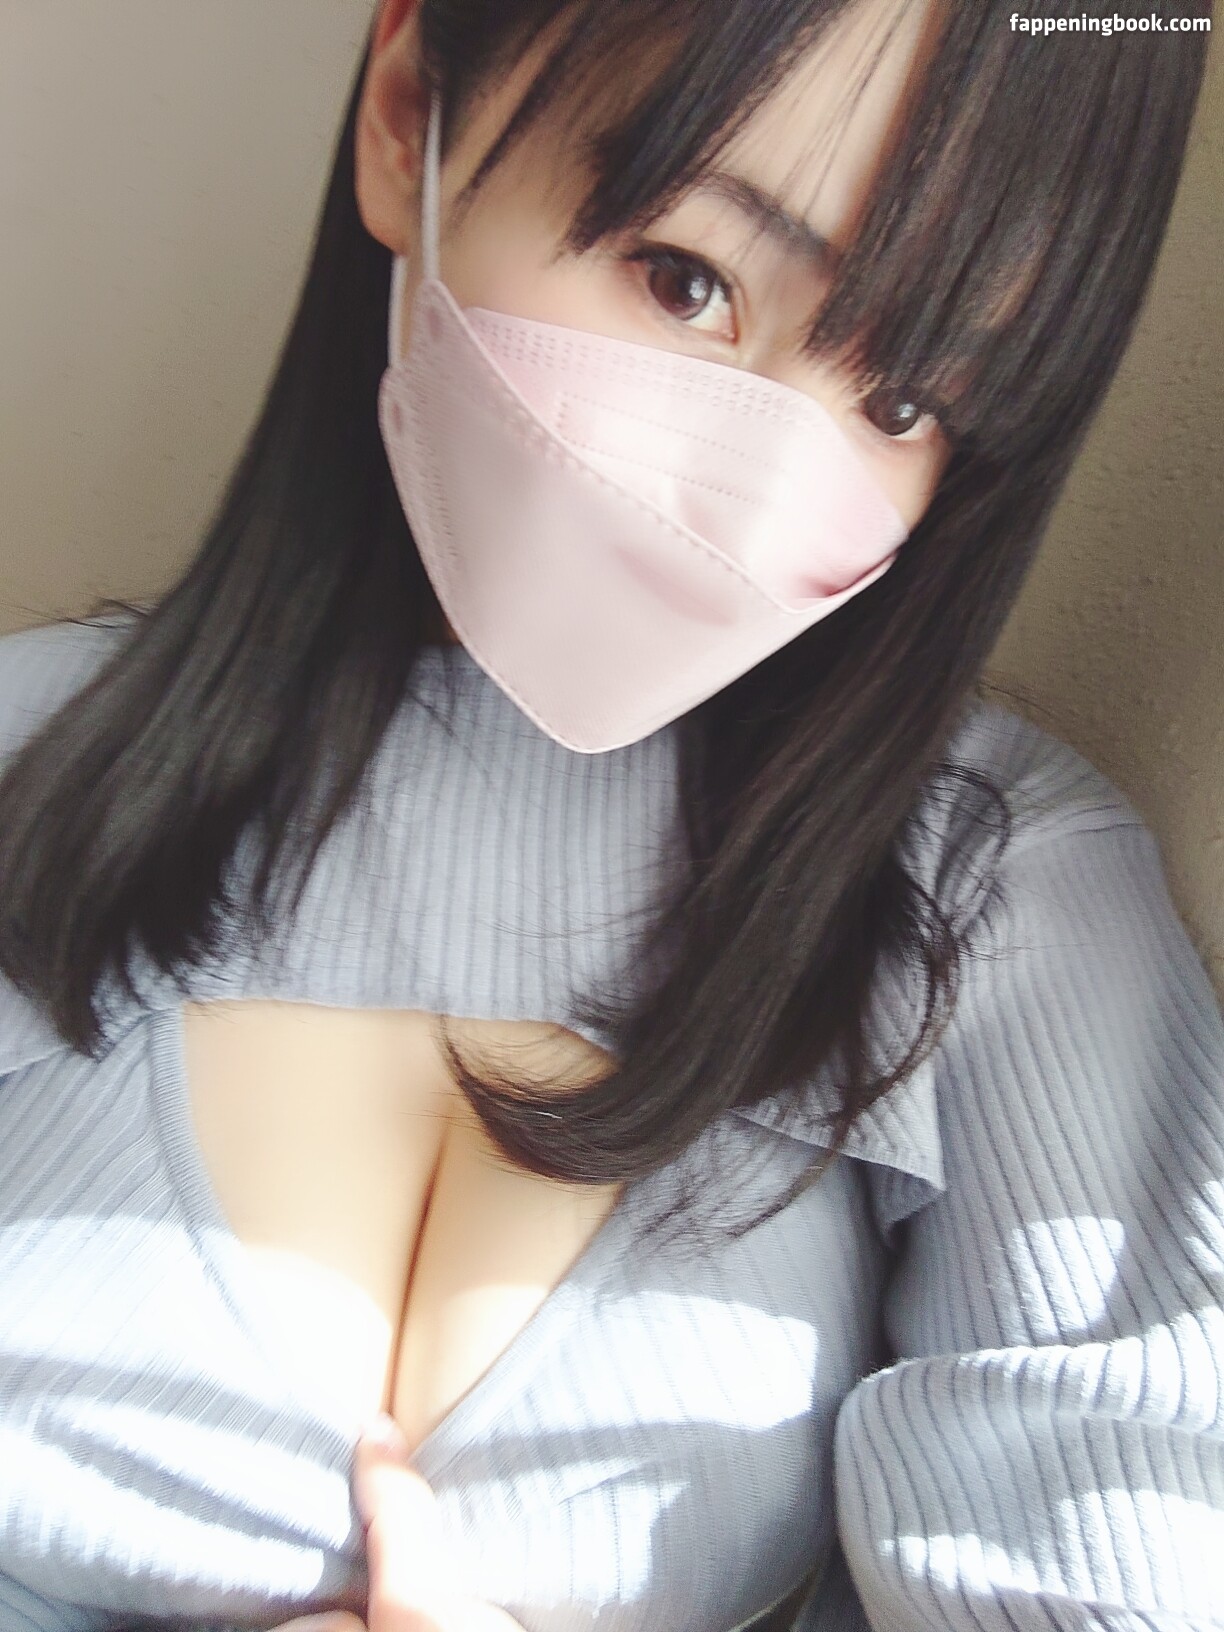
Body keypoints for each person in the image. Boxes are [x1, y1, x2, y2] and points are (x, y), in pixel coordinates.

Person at [0, 0, 1219, 1629]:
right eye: (686, 278)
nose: (751, 491)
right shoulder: (20, 761)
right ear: (407, 112)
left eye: (909, 395)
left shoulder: (1000, 893)